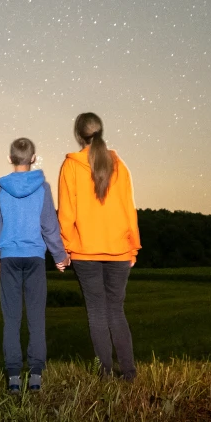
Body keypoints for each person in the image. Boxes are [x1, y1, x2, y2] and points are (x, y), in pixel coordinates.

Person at [57, 112, 141, 381]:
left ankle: (103, 375)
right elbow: (129, 209)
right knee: (116, 310)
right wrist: (132, 247)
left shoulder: (70, 166)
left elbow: (66, 214)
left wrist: (67, 247)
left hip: (84, 251)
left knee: (96, 312)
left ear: (78, 135)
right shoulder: (120, 166)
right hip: (118, 250)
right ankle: (129, 373)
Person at [0, 138, 69, 394]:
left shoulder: (1, 186)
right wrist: (60, 256)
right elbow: (49, 226)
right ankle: (35, 376)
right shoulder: (42, 187)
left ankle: (13, 377)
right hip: (34, 258)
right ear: (33, 158)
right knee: (36, 318)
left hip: (9, 258)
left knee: (11, 319)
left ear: (10, 158)